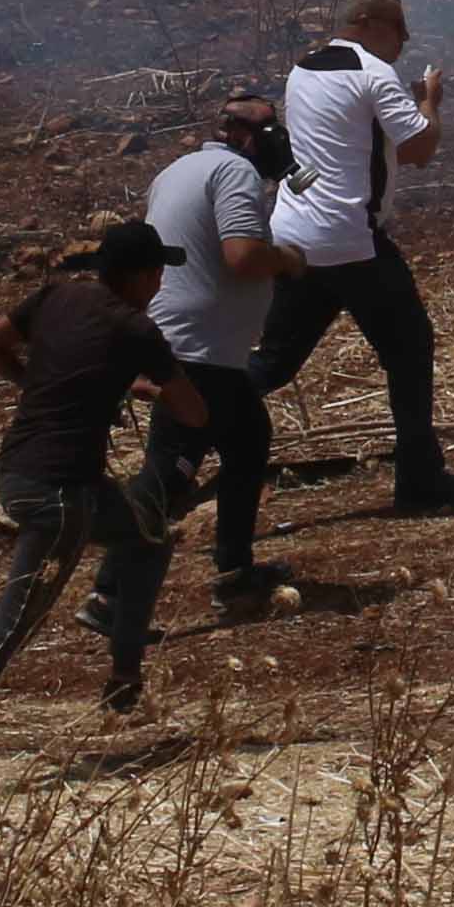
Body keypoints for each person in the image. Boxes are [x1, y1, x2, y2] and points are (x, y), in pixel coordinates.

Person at [0, 217, 212, 797]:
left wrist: (44, 385)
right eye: (157, 273)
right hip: (59, 491)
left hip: (21, 469)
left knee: (147, 541)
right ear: (140, 276)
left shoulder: (57, 296)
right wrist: (161, 391)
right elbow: (194, 413)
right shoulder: (136, 328)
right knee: (14, 621)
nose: (160, 284)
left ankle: (125, 675)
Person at [257, 0, 454, 515]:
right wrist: (429, 102)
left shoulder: (304, 68)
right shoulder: (374, 75)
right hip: (350, 240)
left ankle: (176, 441)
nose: (405, 38)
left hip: (296, 235)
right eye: (399, 27)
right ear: (370, 24)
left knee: (275, 362)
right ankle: (419, 481)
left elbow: (350, 145)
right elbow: (421, 149)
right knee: (410, 348)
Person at [136, 91, 301, 613]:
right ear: (246, 136)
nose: (277, 140)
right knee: (168, 472)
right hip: (199, 347)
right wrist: (287, 260)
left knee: (248, 442)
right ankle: (111, 592)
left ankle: (234, 571)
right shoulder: (235, 172)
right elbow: (242, 256)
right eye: (270, 130)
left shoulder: (176, 171)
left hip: (195, 342)